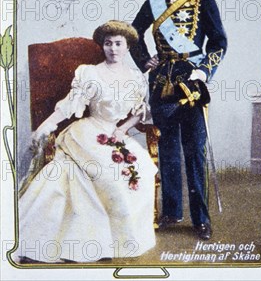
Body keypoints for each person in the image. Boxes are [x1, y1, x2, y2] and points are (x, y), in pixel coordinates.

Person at [16, 21, 157, 263]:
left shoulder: (136, 78)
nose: (113, 49)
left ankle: (120, 241)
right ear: (103, 46)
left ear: (127, 47)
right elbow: (70, 105)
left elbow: (140, 111)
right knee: (106, 173)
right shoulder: (90, 73)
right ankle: (88, 239)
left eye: (118, 44)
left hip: (115, 133)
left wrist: (123, 128)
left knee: (141, 169)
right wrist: (45, 125)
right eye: (108, 43)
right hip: (88, 131)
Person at [130, 0, 227, 240]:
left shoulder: (203, 0)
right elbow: (134, 32)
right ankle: (172, 212)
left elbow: (219, 41)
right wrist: (144, 59)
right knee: (168, 149)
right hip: (162, 81)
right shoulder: (153, 2)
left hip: (191, 81)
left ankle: (200, 219)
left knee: (194, 149)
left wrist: (203, 72)